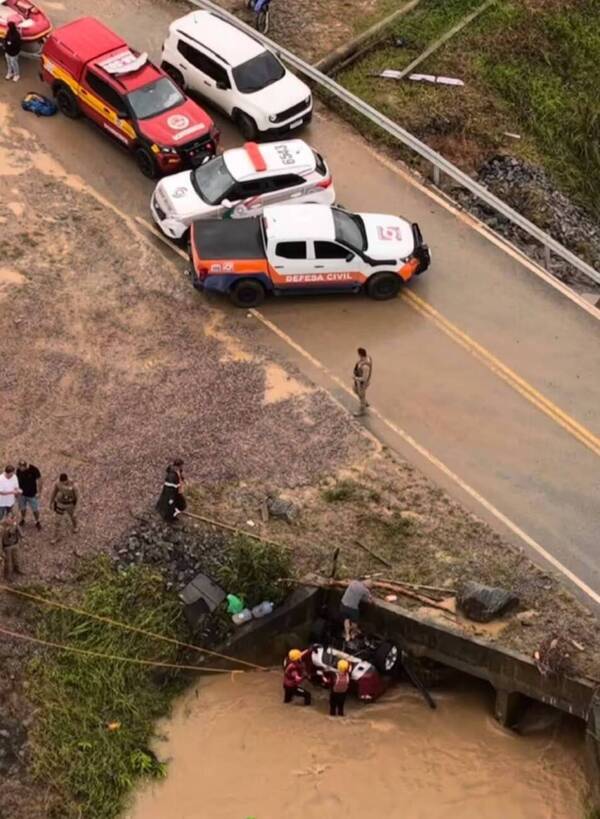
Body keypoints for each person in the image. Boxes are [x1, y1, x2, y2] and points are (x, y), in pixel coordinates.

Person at [340, 578, 373, 642]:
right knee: (354, 622)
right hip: (352, 608)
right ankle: (353, 632)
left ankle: (347, 635)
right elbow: (370, 601)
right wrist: (370, 597)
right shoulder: (365, 590)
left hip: (343, 604)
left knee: (346, 620)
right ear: (368, 586)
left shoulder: (354, 582)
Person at [49, 473, 79, 544]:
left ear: (67, 480)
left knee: (72, 516)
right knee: (57, 521)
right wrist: (51, 502)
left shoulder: (74, 486)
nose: (62, 483)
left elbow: (78, 498)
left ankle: (75, 526)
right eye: (61, 482)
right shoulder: (58, 484)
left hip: (70, 504)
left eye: (64, 482)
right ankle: (56, 536)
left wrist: (76, 510)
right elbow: (54, 492)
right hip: (60, 504)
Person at [16, 460, 43, 530]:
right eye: (20, 467)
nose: (21, 469)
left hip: (32, 494)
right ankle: (22, 519)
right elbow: (17, 480)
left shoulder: (33, 469)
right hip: (22, 494)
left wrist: (39, 492)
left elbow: (40, 480)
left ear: (26, 466)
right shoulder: (18, 470)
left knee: (35, 509)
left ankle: (37, 521)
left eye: (22, 467)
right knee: (22, 508)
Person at [2, 514, 24, 581]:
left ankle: (17, 569)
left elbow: (21, 533)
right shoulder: (2, 527)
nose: (13, 520)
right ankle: (7, 575)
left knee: (17, 558)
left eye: (14, 519)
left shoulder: (15, 525)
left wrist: (22, 537)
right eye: (11, 518)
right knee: (8, 562)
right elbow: (9, 533)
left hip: (15, 544)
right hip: (7, 546)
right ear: (6, 518)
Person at [352, 347, 373, 417]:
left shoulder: (365, 366)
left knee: (361, 395)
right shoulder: (367, 359)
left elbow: (364, 378)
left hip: (362, 383)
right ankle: (364, 402)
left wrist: (356, 378)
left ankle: (362, 410)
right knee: (355, 390)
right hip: (359, 382)